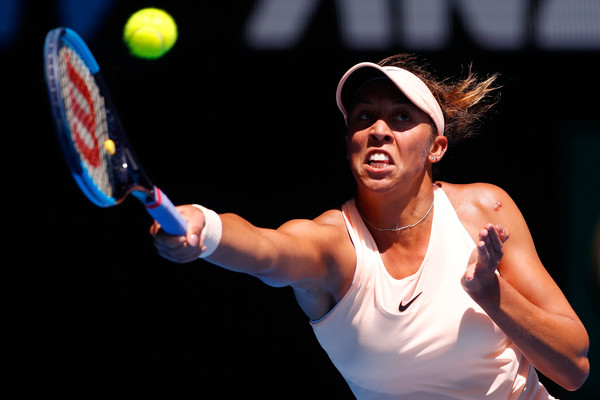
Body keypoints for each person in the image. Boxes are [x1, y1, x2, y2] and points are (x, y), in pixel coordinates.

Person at [151, 54, 589, 399]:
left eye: (401, 117)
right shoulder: (333, 246)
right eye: (363, 117)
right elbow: (268, 250)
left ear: (436, 147)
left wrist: (495, 298)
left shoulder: (483, 208)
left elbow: (574, 368)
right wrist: (203, 228)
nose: (378, 130)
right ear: (349, 144)